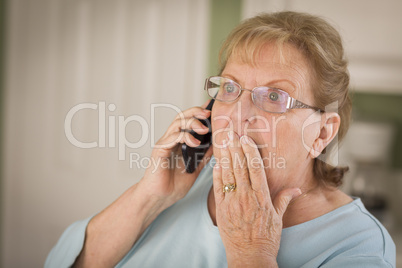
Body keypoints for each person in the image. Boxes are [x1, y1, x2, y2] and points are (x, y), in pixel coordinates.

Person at [45, 11, 395, 268]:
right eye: (230, 88)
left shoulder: (359, 246)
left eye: (274, 97)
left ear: (321, 133)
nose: (236, 114)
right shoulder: (191, 181)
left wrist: (251, 252)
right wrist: (148, 197)